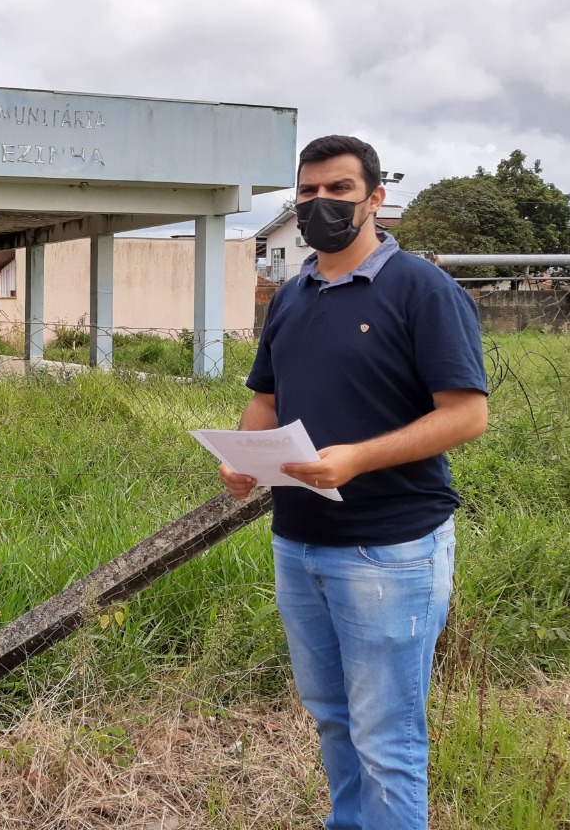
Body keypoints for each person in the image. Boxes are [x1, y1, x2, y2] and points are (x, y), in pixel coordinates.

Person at [220, 135, 488, 830]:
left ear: (376, 198)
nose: (320, 204)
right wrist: (244, 457)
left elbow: (466, 416)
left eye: (338, 190)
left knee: (386, 739)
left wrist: (357, 458)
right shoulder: (291, 295)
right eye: (308, 192)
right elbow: (268, 402)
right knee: (334, 721)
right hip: (299, 542)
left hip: (390, 549)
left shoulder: (421, 288)